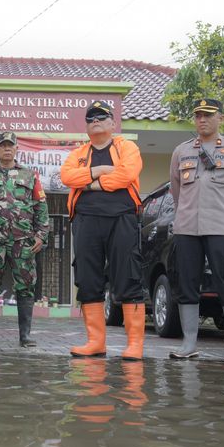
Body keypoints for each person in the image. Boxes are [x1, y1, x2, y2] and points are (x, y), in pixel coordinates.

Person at [60, 100, 145, 360]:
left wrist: (91, 184)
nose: (95, 120)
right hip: (85, 220)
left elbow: (127, 174)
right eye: (90, 118)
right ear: (86, 126)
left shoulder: (127, 147)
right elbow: (66, 177)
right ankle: (95, 341)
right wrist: (97, 170)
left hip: (122, 218)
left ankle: (134, 345)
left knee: (128, 277)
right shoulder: (79, 153)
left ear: (112, 123)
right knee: (87, 279)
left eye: (101, 116)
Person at [168, 99, 224, 362]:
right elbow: (176, 189)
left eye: (208, 115)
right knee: (187, 282)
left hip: (221, 226)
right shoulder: (181, 152)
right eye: (198, 116)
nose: (202, 120)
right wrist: (186, 212)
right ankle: (189, 343)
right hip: (187, 227)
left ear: (221, 118)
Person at [0, 132, 49, 347]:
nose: (7, 149)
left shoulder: (30, 176)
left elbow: (41, 207)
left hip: (23, 241)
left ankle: (25, 336)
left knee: (25, 286)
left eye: (10, 145)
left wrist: (41, 235)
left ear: (17, 149)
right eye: (2, 145)